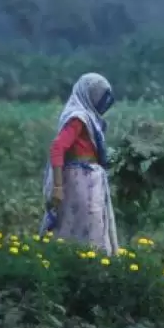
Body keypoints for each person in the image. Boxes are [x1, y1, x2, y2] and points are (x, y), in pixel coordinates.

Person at [40, 72, 119, 255]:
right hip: (80, 182)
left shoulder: (88, 119)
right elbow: (57, 148)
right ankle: (83, 267)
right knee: (86, 227)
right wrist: (58, 187)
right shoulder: (78, 118)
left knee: (90, 226)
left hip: (90, 181)